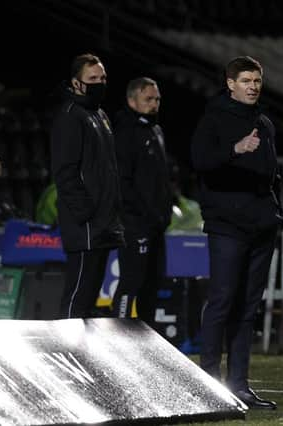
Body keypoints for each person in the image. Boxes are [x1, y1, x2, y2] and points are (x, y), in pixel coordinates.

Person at [191, 56, 283, 410]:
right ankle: (209, 384)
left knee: (247, 307)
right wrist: (235, 150)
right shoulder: (213, 118)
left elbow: (272, 173)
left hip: (262, 225)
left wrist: (276, 210)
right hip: (228, 225)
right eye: (246, 80)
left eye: (257, 80)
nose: (253, 86)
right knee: (222, 301)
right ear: (230, 83)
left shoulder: (264, 122)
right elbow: (200, 161)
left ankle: (239, 386)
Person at [50, 53, 124, 319]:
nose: (100, 82)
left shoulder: (99, 114)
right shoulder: (70, 116)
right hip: (86, 226)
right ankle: (63, 355)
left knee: (89, 300)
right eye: (93, 78)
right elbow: (65, 172)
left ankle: (79, 357)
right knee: (77, 297)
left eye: (103, 77)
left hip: (102, 223)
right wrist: (87, 214)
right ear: (76, 83)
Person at [111, 76, 173, 320]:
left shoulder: (155, 130)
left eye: (157, 99)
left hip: (156, 224)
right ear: (132, 101)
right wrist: (145, 214)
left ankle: (148, 345)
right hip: (135, 224)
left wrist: (164, 212)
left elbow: (160, 181)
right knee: (131, 283)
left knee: (152, 285)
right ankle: (117, 338)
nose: (155, 103)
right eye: (148, 99)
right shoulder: (124, 133)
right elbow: (123, 183)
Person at [167, 160, 203, 232]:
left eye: (174, 180)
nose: (172, 185)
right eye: (171, 180)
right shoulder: (153, 210)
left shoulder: (194, 207)